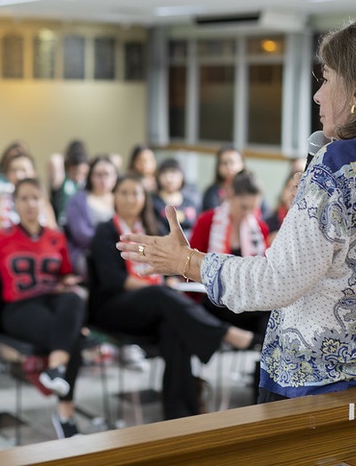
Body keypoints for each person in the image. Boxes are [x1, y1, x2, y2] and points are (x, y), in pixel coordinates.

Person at [117, 16, 356, 403]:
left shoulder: (337, 165)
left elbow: (276, 282)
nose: (318, 96)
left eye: (326, 80)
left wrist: (187, 261)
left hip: (320, 386)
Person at [89, 174, 258, 420]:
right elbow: (113, 281)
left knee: (173, 327)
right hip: (112, 306)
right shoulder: (105, 231)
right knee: (161, 295)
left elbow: (167, 270)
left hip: (154, 305)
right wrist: (160, 287)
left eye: (135, 193)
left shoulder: (152, 228)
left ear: (144, 198)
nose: (129, 198)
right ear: (114, 196)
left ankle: (180, 414)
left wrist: (169, 282)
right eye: (123, 192)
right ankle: (224, 333)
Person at [0, 178, 86, 438]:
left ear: (44, 202)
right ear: (15, 204)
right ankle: (65, 413)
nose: (31, 203)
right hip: (17, 308)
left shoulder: (56, 237)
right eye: (24, 198)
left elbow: (65, 275)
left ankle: (55, 368)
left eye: (36, 197)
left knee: (75, 299)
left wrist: (70, 283)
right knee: (72, 337)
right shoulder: (0, 237)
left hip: (51, 301)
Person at [189, 169, 271, 335]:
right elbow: (191, 261)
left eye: (253, 208)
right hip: (214, 299)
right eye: (243, 207)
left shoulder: (260, 228)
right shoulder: (207, 221)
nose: (248, 213)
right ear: (230, 195)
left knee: (272, 311)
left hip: (246, 300)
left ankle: (261, 355)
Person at [64, 155, 117, 278]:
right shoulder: (77, 200)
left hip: (123, 249)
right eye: (98, 174)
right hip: (88, 252)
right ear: (90, 177)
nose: (103, 179)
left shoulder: (122, 198)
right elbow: (81, 235)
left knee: (142, 254)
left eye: (107, 174)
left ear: (115, 177)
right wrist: (112, 245)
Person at [0, 152, 57, 232]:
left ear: (34, 173)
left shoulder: (43, 202)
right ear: (7, 175)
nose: (18, 175)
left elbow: (52, 233)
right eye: (14, 170)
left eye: (23, 170)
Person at [151, 157, 199, 237]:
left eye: (173, 173)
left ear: (182, 176)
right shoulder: (153, 202)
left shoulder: (190, 202)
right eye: (164, 173)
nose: (169, 178)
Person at [48, 139, 89, 228]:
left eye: (83, 174)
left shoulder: (86, 184)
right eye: (75, 173)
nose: (78, 177)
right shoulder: (61, 181)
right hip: (62, 225)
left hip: (80, 226)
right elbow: (54, 159)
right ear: (68, 168)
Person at [201, 146, 244, 211]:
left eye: (232, 162)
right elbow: (210, 213)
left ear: (241, 164)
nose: (229, 167)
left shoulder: (250, 188)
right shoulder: (212, 191)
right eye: (224, 163)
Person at [264, 170, 299, 244]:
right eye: (290, 187)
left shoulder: (307, 225)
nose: (293, 193)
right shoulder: (268, 223)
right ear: (283, 191)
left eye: (298, 188)